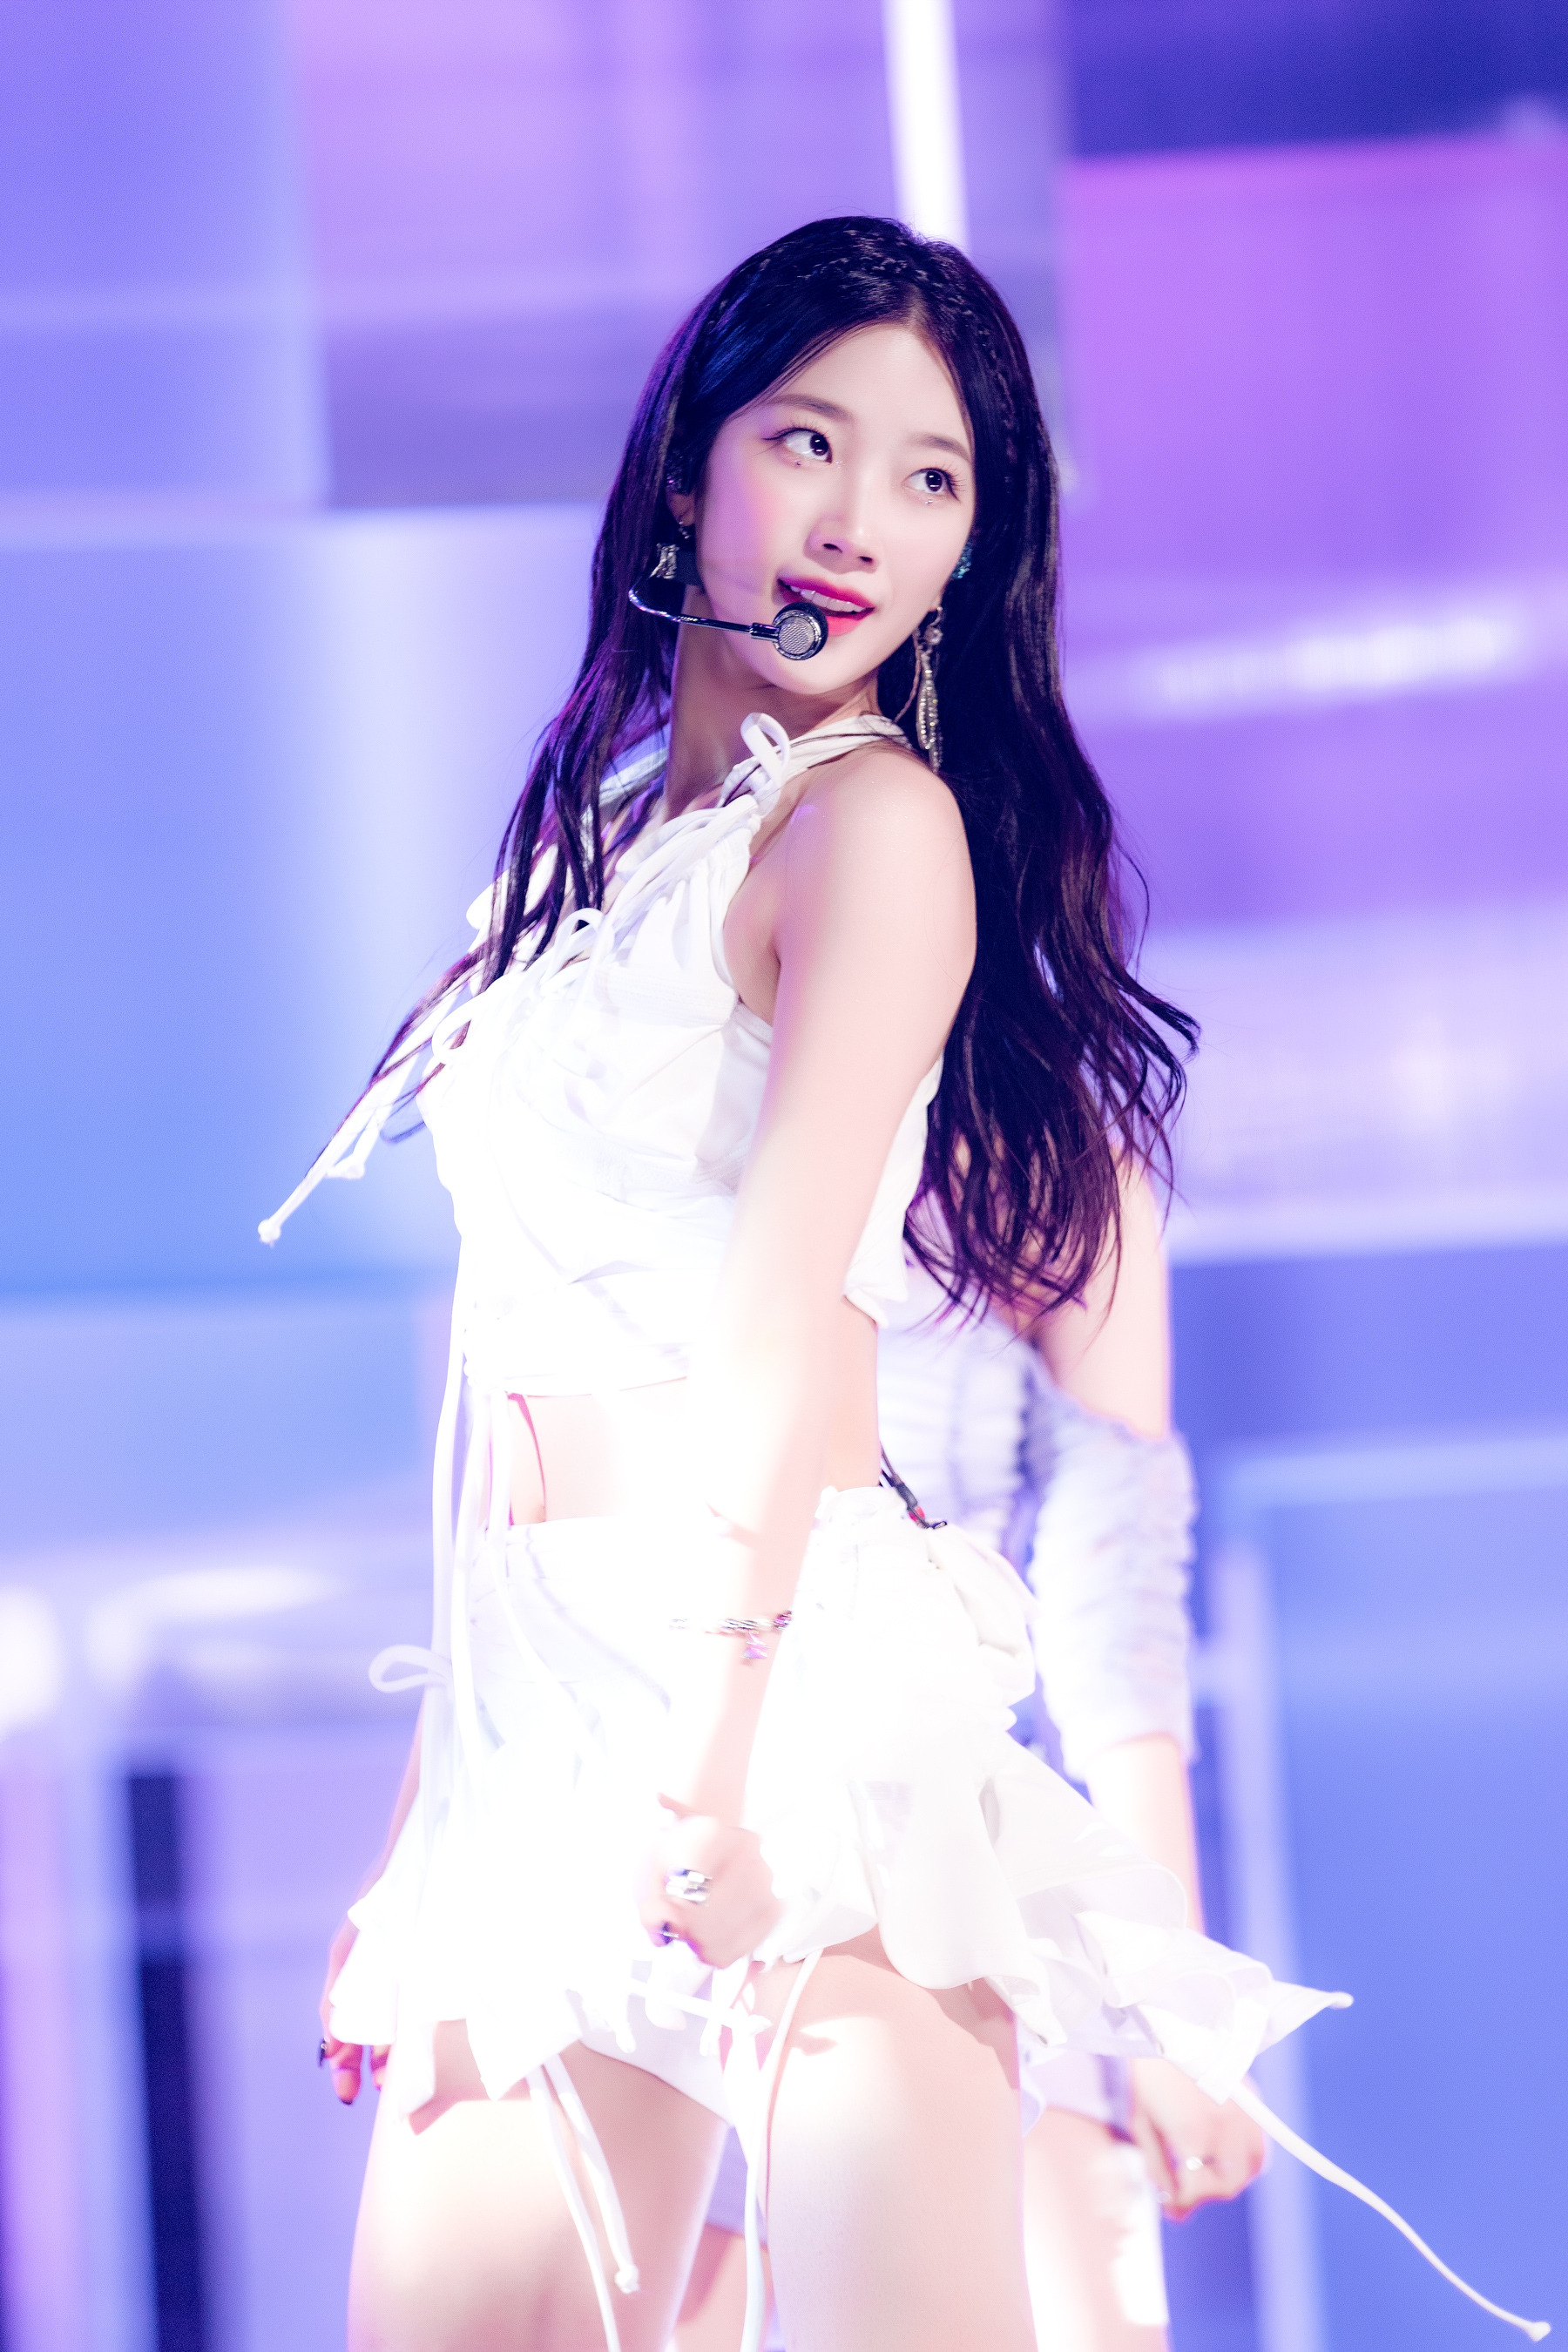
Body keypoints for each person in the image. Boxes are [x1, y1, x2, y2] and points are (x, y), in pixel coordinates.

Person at [263, 216, 1538, 2352]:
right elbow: (502, 1386)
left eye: (931, 478)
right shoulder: (572, 869)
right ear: (690, 459)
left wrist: (706, 1766)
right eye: (809, 442)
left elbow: (788, 1315)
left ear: (972, 549)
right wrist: (427, 1829)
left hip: (786, 1712)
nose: (860, 522)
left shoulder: (874, 828)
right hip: (541, 1711)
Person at [673, 1218, 1265, 2352]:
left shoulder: (1053, 1159)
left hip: (957, 1849)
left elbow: (1115, 1631)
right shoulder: (691, 1122)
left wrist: (1174, 2009)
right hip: (697, 1843)